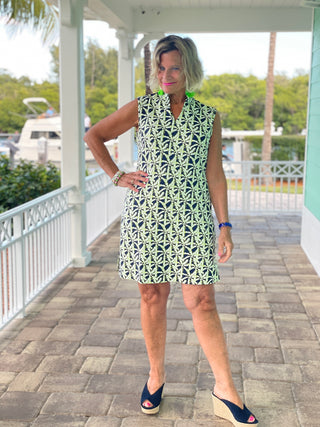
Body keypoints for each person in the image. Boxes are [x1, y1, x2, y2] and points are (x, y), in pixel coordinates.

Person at [84, 35, 258, 426]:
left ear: (189, 70)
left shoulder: (207, 116)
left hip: (194, 219)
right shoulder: (142, 108)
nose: (166, 75)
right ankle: (156, 377)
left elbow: (215, 173)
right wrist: (117, 176)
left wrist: (224, 225)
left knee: (203, 302)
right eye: (160, 68)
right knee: (151, 295)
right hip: (148, 218)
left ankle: (225, 390)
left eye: (174, 68)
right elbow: (93, 135)